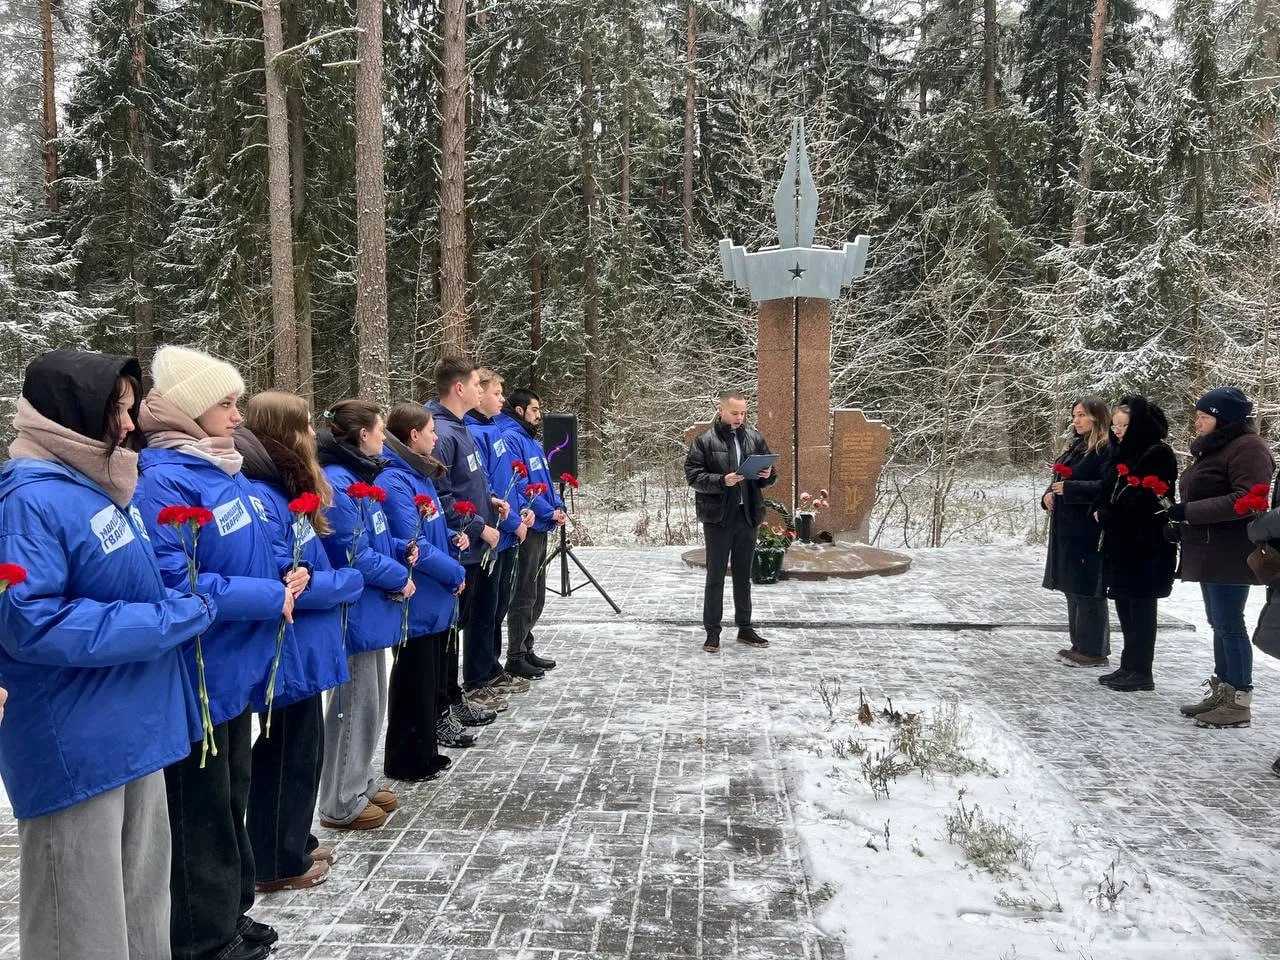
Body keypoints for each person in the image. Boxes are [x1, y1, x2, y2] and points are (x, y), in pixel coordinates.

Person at [0, 350, 214, 960]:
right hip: (76, 745)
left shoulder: (97, 487)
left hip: (131, 730)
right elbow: (31, 623)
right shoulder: (27, 499)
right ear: (71, 415)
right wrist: (167, 619)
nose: (129, 424)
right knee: (82, 923)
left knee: (144, 908)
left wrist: (184, 599)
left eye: (129, 408)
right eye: (115, 411)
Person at [136, 345, 304, 960]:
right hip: (200, 671)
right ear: (188, 408)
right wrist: (266, 594)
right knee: (200, 807)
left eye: (237, 403)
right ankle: (201, 936)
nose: (238, 416)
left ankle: (229, 911)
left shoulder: (221, 470)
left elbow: (249, 550)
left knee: (232, 792)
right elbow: (175, 580)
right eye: (225, 404)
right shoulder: (165, 480)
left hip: (235, 666)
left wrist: (289, 574)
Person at [236, 392, 364, 892]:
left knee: (304, 751)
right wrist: (343, 583)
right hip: (290, 649)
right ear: (284, 431)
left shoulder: (285, 487)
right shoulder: (265, 494)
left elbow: (312, 570)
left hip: (308, 646)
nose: (315, 435)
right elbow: (292, 578)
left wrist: (327, 580)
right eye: (306, 426)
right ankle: (275, 858)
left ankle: (296, 840)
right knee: (286, 754)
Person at [316, 400, 416, 828]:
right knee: (355, 703)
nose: (383, 438)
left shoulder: (360, 477)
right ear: (362, 436)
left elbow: (373, 538)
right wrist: (398, 575)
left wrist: (399, 551)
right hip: (357, 611)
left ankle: (360, 778)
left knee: (371, 702)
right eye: (379, 430)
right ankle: (341, 798)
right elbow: (352, 553)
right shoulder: (340, 483)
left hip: (372, 610)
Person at [378, 403, 478, 782]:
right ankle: (406, 758)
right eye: (431, 430)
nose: (437, 437)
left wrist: (454, 539)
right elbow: (411, 538)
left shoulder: (419, 475)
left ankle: (424, 751)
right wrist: (453, 569)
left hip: (436, 594)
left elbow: (431, 528)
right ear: (413, 435)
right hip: (419, 595)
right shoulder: (395, 480)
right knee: (412, 680)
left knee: (428, 677)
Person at [1169, 387, 1275, 728]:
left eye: (1204, 416)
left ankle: (1239, 699)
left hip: (1232, 550)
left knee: (1230, 623)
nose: (1197, 422)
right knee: (1219, 622)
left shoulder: (1248, 448)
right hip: (1208, 548)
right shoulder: (1217, 447)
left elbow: (1249, 498)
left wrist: (1189, 511)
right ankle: (1224, 690)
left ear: (1224, 418)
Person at [429, 355, 522, 742]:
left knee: (461, 629)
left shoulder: (459, 428)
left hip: (473, 548)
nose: (484, 391)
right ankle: (443, 707)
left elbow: (471, 484)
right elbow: (440, 496)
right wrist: (480, 526)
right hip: (460, 548)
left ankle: (454, 699)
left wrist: (492, 503)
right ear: (461, 388)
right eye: (478, 384)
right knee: (451, 634)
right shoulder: (442, 431)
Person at [1093, 396, 1177, 692]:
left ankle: (1142, 669)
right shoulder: (1119, 453)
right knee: (1124, 604)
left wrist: (1110, 513)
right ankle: (1129, 664)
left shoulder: (1157, 453)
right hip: (1120, 542)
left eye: (1123, 425)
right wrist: (1101, 507)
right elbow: (1108, 488)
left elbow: (1148, 498)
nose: (1117, 430)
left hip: (1146, 545)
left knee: (1141, 607)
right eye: (1114, 425)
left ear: (1138, 424)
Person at [684, 389, 777, 653]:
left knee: (743, 575)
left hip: (747, 515)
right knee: (715, 575)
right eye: (735, 412)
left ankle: (745, 629)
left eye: (743, 413)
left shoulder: (754, 438)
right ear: (720, 409)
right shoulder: (704, 441)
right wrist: (721, 481)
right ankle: (712, 631)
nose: (739, 417)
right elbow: (693, 476)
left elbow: (768, 477)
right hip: (718, 518)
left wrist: (767, 473)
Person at [466, 370, 538, 681]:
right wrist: (510, 522)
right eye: (497, 393)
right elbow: (483, 490)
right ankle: (480, 675)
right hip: (494, 533)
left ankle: (492, 668)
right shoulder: (473, 432)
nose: (503, 399)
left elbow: (510, 478)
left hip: (507, 529)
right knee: (484, 612)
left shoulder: (493, 428)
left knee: (497, 608)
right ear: (478, 393)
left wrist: (522, 510)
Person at [497, 387, 567, 673]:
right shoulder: (511, 439)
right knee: (524, 593)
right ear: (519, 410)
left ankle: (526, 646)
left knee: (536, 593)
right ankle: (515, 655)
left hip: (543, 525)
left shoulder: (533, 443)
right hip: (529, 527)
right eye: (535, 410)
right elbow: (520, 488)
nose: (540, 415)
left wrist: (559, 506)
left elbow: (546, 483)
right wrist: (547, 512)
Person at [1042, 396, 1113, 667]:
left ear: (1097, 416)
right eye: (1074, 415)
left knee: (1088, 588)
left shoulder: (1105, 448)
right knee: (1072, 586)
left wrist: (1070, 490)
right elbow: (1059, 479)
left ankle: (1094, 649)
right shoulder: (1076, 446)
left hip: (1088, 528)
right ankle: (1079, 644)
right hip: (1066, 527)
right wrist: (1048, 495)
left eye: (1082, 415)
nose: (1076, 420)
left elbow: (1106, 486)